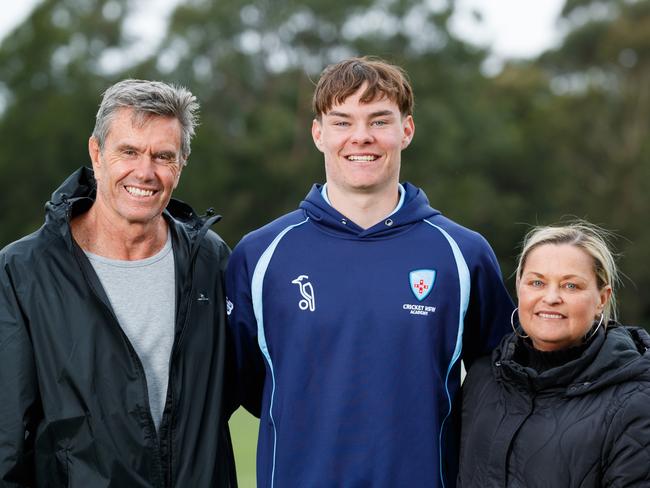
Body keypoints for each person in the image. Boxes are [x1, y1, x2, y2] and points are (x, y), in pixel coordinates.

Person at [226, 56, 513, 487]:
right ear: (318, 134)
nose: (361, 137)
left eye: (379, 121)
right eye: (342, 122)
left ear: (407, 130)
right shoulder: (261, 253)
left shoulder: (463, 254)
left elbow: (500, 388)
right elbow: (248, 388)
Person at [0, 80, 236, 486]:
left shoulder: (210, 260)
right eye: (129, 151)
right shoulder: (23, 271)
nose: (145, 172)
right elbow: (5, 436)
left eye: (163, 156)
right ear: (97, 152)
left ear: (181, 165)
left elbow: (235, 388)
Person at [458, 222, 650, 487]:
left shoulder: (636, 401)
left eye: (571, 286)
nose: (551, 297)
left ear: (602, 299)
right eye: (537, 282)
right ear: (519, 287)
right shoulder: (483, 377)